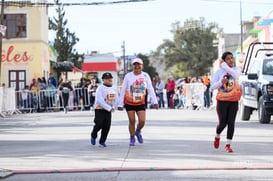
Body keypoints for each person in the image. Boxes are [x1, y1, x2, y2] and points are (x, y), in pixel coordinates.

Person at [117, 58, 159, 146]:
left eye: (138, 65)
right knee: (132, 121)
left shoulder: (145, 76)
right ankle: (132, 137)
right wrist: (120, 104)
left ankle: (138, 131)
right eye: (135, 65)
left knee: (142, 121)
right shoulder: (128, 76)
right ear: (133, 66)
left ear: (142, 66)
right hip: (129, 102)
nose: (137, 66)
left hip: (140, 102)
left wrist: (155, 101)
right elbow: (123, 90)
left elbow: (150, 89)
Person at [210, 52, 242, 153]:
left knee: (231, 123)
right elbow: (212, 87)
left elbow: (235, 75)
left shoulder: (236, 70)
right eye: (228, 59)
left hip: (233, 100)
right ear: (224, 61)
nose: (231, 60)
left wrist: (225, 65)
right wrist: (221, 82)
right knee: (223, 124)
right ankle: (217, 135)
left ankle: (228, 144)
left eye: (232, 58)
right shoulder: (219, 72)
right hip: (222, 101)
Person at [90, 72, 118, 147]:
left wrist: (115, 106)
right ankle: (93, 135)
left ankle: (102, 141)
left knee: (106, 126)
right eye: (107, 79)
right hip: (99, 109)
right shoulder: (100, 88)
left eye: (110, 78)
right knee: (99, 123)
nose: (109, 80)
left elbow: (116, 98)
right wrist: (108, 108)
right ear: (103, 80)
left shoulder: (114, 88)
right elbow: (100, 100)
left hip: (108, 110)